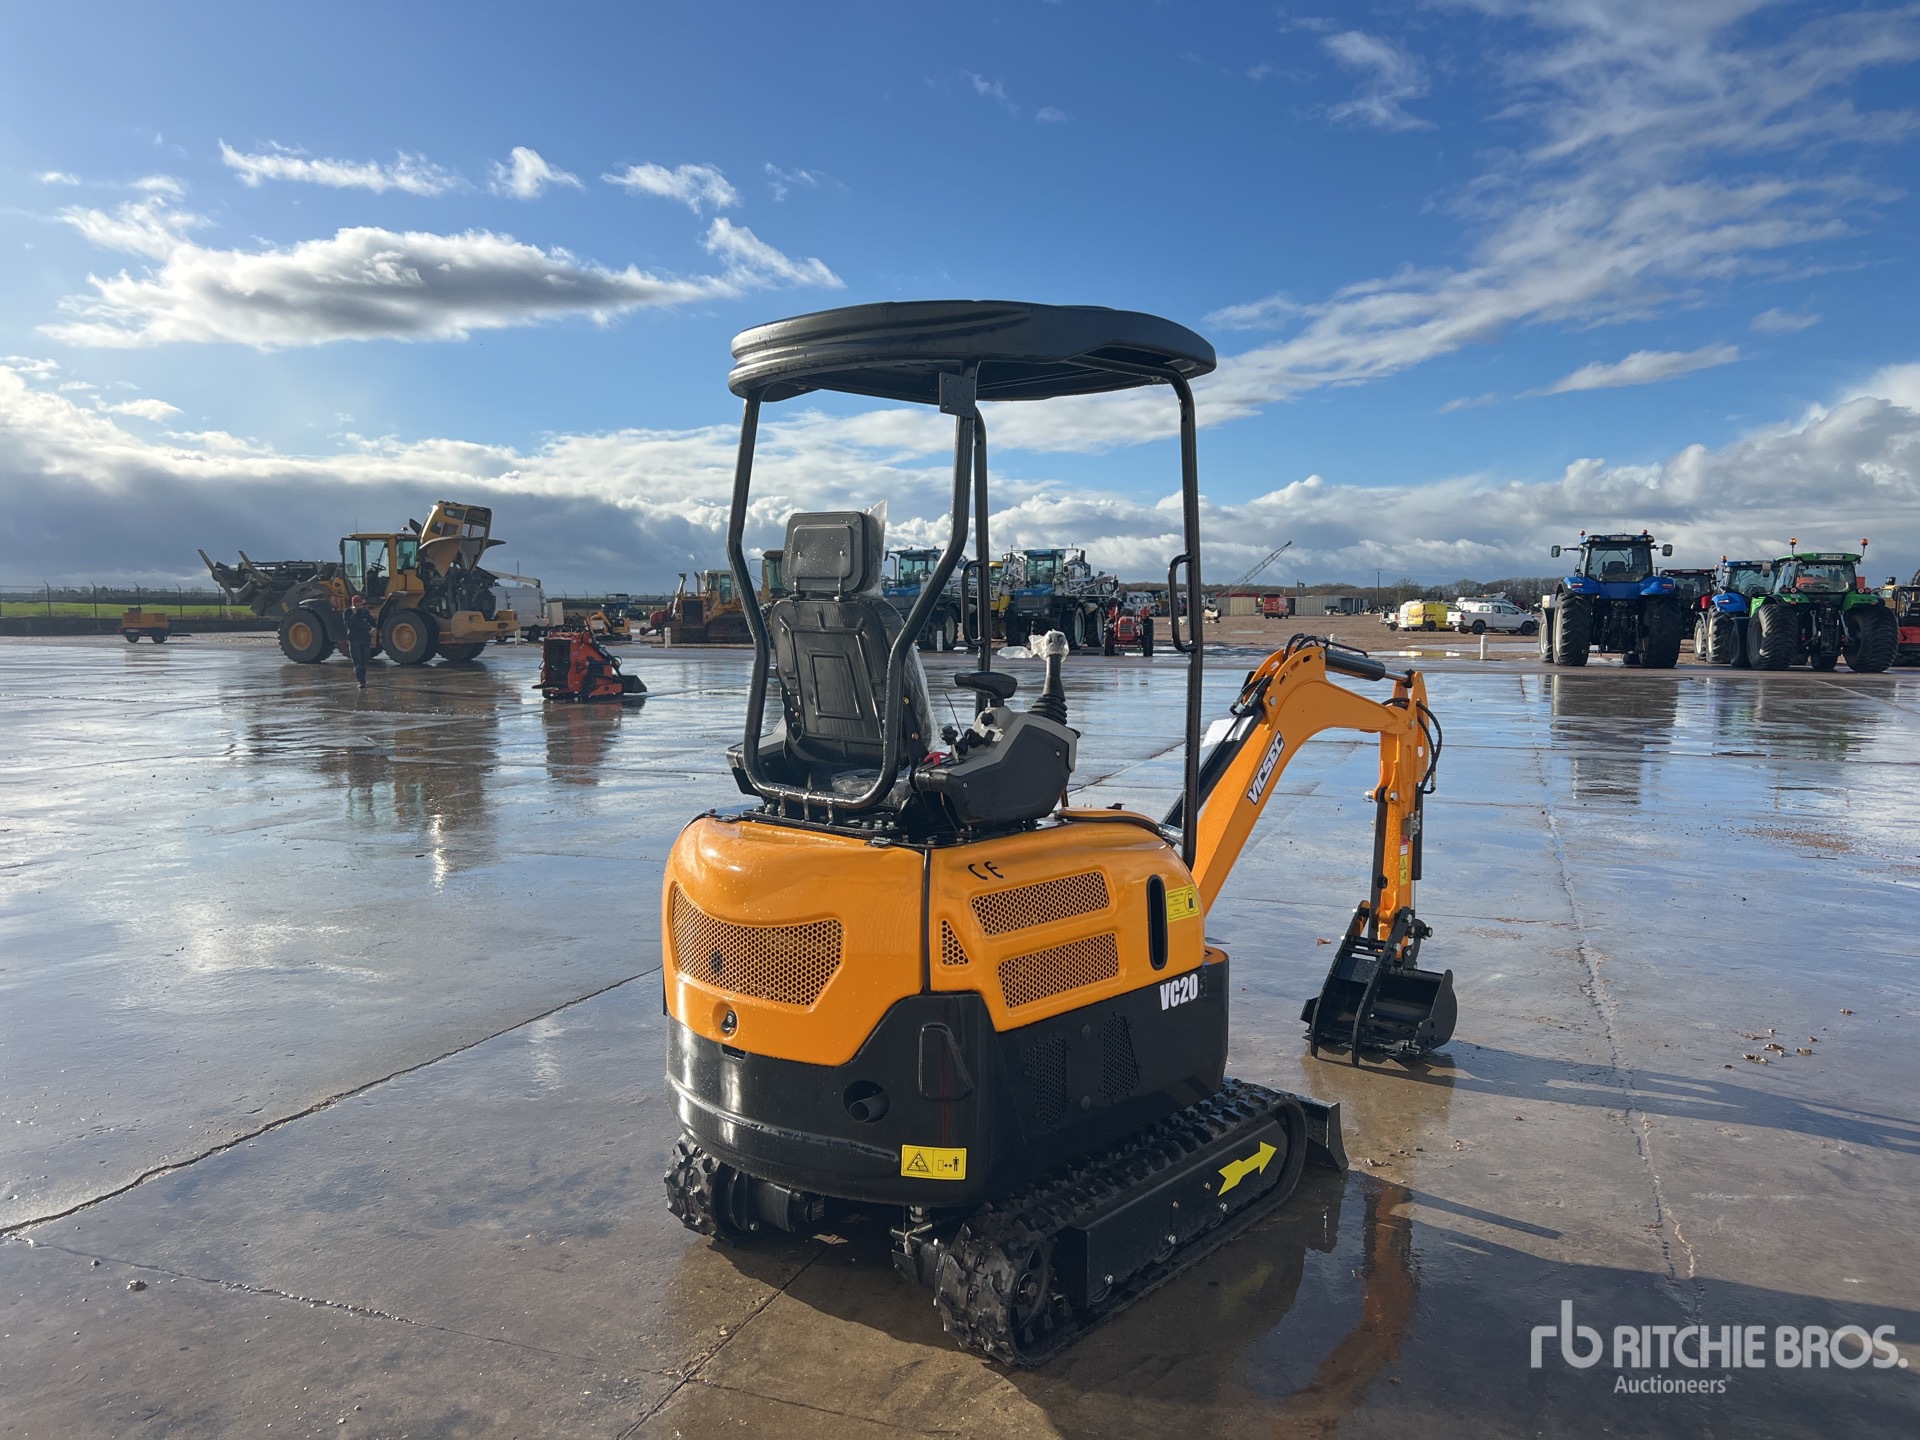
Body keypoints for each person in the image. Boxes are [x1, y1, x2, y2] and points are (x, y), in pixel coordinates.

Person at [345, 595, 375, 688]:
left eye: (360, 605)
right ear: (353, 605)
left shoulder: (365, 612)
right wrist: (353, 614)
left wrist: (373, 628)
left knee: (365, 660)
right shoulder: (348, 612)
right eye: (357, 605)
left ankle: (363, 677)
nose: (359, 607)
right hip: (354, 639)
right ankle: (361, 681)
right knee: (357, 661)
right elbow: (348, 624)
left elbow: (372, 621)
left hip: (365, 638)